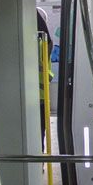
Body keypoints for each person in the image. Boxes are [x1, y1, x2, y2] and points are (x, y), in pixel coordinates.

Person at [37, 8, 54, 150]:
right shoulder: (42, 44)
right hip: (41, 97)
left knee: (38, 132)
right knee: (39, 132)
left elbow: (47, 74)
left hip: (38, 98)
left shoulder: (41, 44)